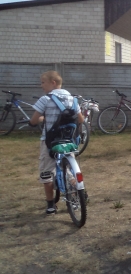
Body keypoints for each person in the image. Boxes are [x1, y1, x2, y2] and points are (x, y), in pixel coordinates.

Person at [30, 71, 84, 215]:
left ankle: (50, 206)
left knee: (46, 172)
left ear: (53, 82)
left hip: (50, 142)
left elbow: (34, 120)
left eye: (43, 82)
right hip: (68, 141)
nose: (41, 86)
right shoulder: (73, 100)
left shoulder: (45, 99)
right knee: (68, 170)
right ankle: (76, 197)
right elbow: (81, 119)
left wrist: (41, 119)